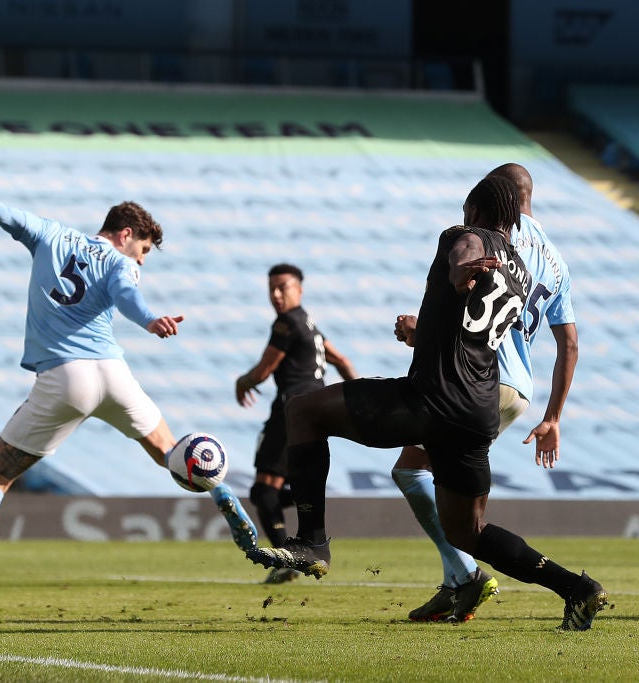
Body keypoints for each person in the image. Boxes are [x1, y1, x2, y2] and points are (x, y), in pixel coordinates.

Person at [245, 176, 608, 631]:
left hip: (432, 400)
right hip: (476, 412)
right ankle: (575, 588)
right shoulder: (519, 269)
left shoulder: (464, 237)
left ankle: (312, 541)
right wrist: (426, 329)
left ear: (473, 209)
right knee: (468, 531)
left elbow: (463, 258)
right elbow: (470, 333)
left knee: (303, 411)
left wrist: (460, 271)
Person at [0, 170, 258, 616]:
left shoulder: (49, 233)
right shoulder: (119, 263)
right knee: (170, 451)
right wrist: (150, 319)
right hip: (113, 373)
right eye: (141, 253)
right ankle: (221, 493)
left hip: (65, 377)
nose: (138, 263)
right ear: (125, 234)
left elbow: (3, 214)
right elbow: (125, 295)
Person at [391, 163, 578, 623]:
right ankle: (457, 578)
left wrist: (423, 331)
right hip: (519, 390)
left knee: (412, 473)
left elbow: (477, 313)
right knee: (447, 490)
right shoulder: (556, 260)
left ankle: (465, 574)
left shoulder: (494, 238)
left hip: (477, 377)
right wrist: (554, 417)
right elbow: (569, 342)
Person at [235, 263, 357, 584]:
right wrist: (358, 396)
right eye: (271, 289)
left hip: (293, 409)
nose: (276, 295)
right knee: (277, 491)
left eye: (283, 288)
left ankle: (287, 560)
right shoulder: (310, 325)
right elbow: (342, 361)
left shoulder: (288, 323)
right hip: (319, 411)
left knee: (263, 492)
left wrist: (242, 382)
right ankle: (305, 529)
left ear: (299, 290)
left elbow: (262, 371)